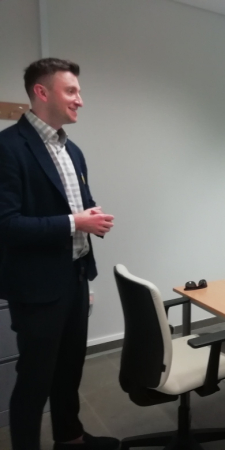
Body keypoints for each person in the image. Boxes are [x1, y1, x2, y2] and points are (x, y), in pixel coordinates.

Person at [0, 59, 117, 450]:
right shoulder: (8, 148)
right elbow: (7, 224)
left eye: (79, 92)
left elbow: (79, 203)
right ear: (41, 92)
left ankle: (71, 439)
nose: (80, 100)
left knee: (69, 371)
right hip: (36, 288)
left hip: (75, 277)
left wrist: (92, 215)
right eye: (71, 91)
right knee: (34, 380)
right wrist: (75, 223)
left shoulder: (74, 151)